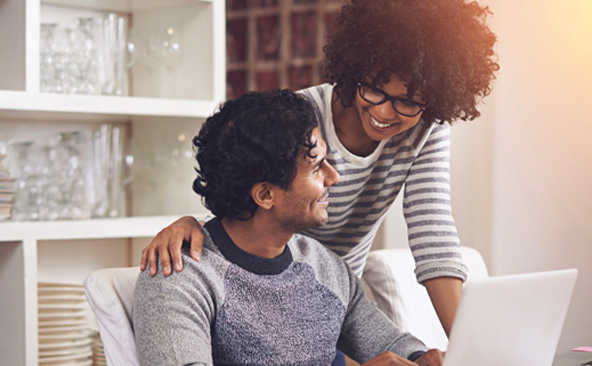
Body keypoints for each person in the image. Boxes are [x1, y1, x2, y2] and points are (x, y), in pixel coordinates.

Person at [140, 0, 499, 337]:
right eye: (374, 89)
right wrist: (195, 223)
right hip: (273, 300)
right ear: (357, 67)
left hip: (339, 301)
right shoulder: (302, 119)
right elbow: (248, 199)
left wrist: (472, 347)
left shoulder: (426, 129)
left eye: (407, 101)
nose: (385, 113)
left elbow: (432, 229)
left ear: (435, 99)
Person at [134, 89, 443, 365]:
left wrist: (422, 358)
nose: (333, 177)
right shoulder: (177, 275)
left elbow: (388, 343)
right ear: (266, 194)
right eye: (316, 166)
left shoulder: (325, 267)